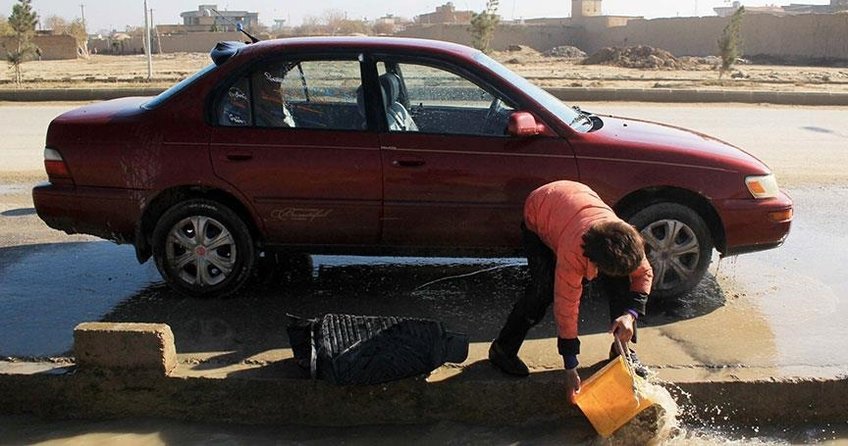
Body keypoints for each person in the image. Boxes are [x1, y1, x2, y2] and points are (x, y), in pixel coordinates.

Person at [489, 180, 653, 402]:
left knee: (622, 286)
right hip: (541, 208)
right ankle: (502, 349)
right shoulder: (573, 252)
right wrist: (570, 367)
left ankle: (621, 351)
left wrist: (629, 314)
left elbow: (643, 274)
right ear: (592, 261)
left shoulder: (627, 239)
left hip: (577, 200)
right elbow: (566, 306)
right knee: (542, 291)